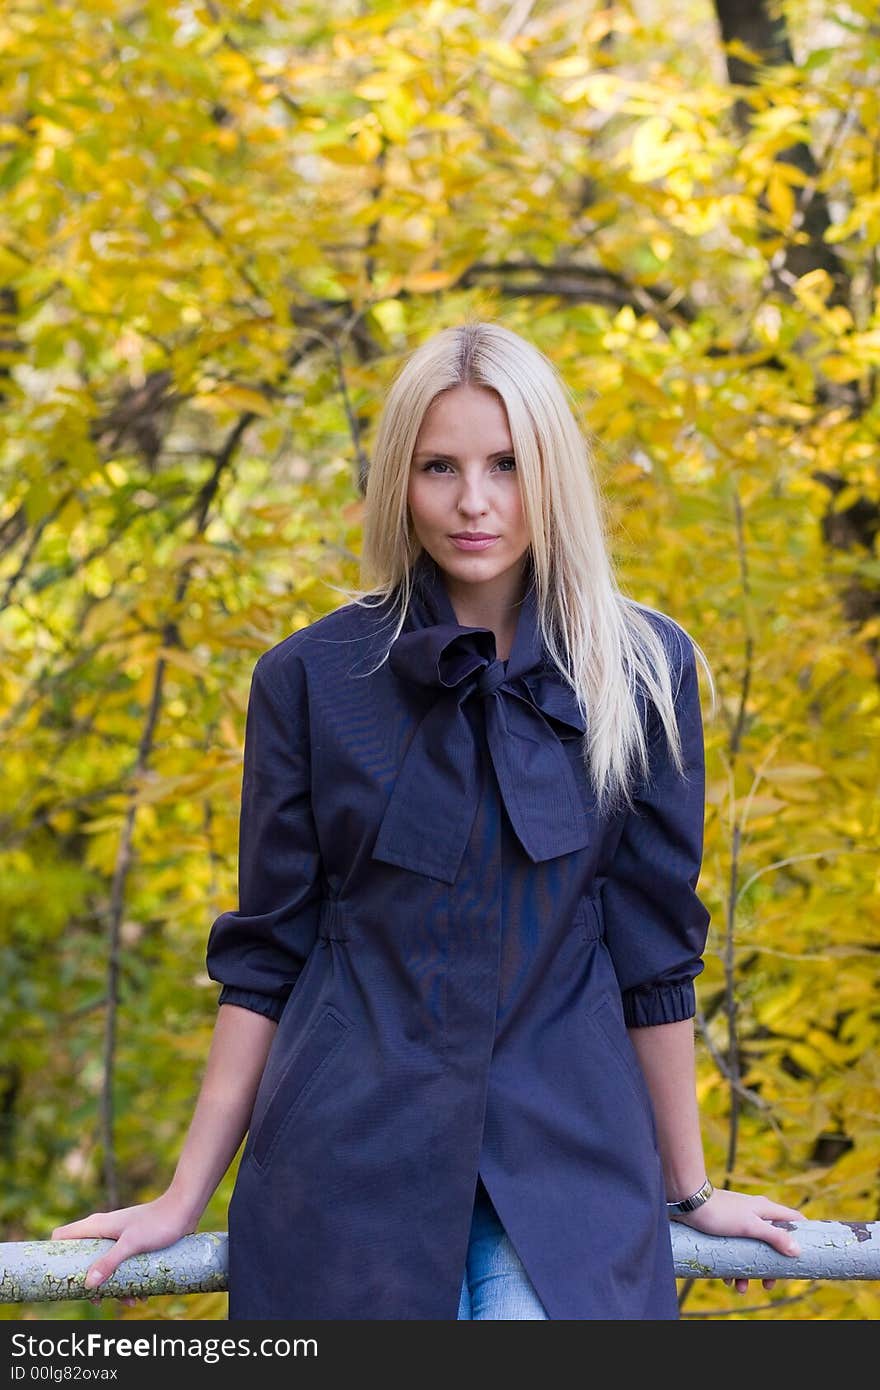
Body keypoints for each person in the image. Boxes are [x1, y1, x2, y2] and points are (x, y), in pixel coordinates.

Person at [52, 320, 804, 1319]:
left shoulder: (642, 670)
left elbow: (653, 952)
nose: (473, 501)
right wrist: (184, 1195)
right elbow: (265, 958)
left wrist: (692, 1186)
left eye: (505, 464)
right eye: (437, 466)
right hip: (344, 1167)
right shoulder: (308, 678)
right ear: (397, 482)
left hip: (570, 1163)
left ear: (552, 472)